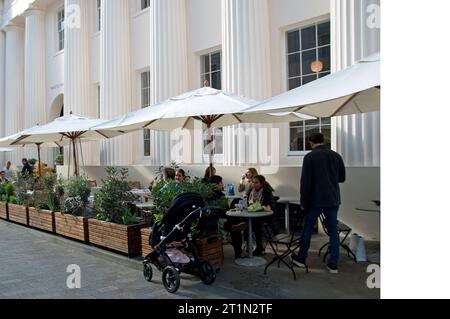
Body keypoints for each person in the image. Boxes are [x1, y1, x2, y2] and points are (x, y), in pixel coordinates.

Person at [291, 133, 346, 274]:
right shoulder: (335, 155)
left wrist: (303, 201)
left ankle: (301, 258)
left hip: (316, 200)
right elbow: (342, 178)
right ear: (324, 141)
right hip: (333, 198)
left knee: (308, 228)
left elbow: (305, 182)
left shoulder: (310, 157)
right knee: (333, 231)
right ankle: (333, 263)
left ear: (310, 142)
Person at [247, 175, 275, 256]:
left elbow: (271, 207)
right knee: (246, 221)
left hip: (265, 216)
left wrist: (263, 207)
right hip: (253, 214)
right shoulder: (251, 192)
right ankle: (249, 246)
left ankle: (259, 246)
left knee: (256, 223)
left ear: (262, 183)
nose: (254, 184)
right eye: (253, 182)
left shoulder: (266, 192)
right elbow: (248, 204)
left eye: (256, 182)